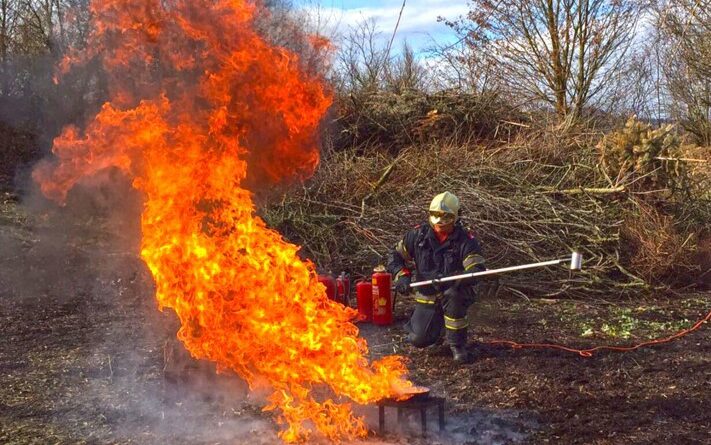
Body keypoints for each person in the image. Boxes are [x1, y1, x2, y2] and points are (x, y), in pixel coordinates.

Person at [387, 191, 486, 364]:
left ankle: (457, 345)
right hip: (428, 295)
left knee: (453, 296)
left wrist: (458, 278)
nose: (440, 221)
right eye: (435, 215)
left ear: (456, 217)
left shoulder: (465, 240)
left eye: (446, 217)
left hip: (455, 290)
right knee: (419, 339)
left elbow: (476, 268)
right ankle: (436, 329)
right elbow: (394, 256)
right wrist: (402, 276)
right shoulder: (417, 236)